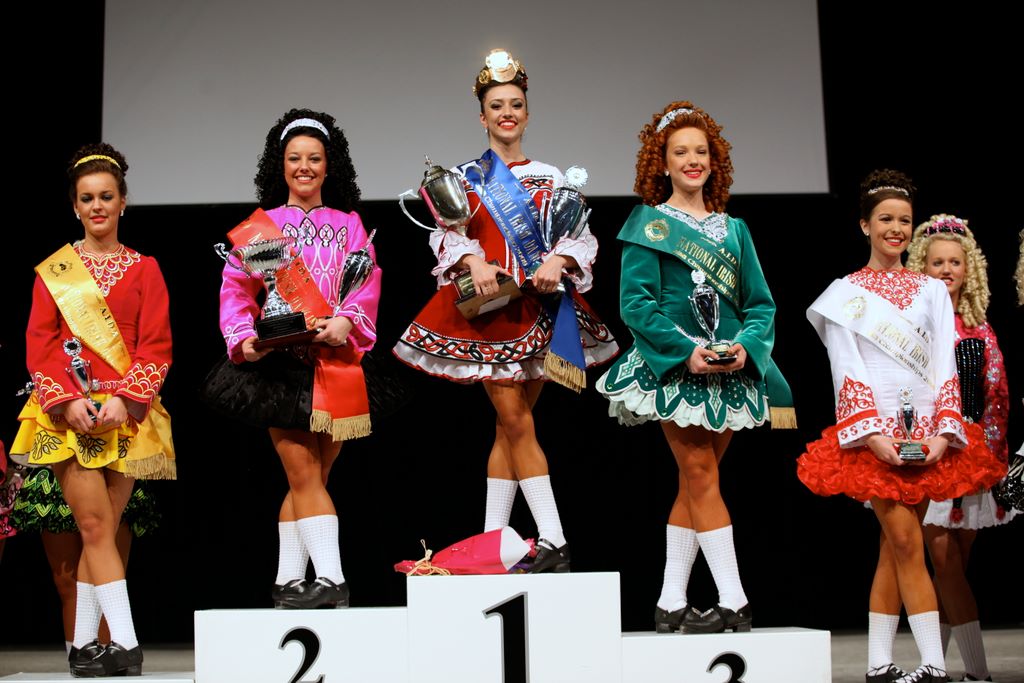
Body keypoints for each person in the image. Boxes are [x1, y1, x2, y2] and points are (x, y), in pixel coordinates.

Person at [393, 49, 618, 572]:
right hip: (491, 312)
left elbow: (578, 235)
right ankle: (553, 538)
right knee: (515, 421)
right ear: (482, 117)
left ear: (527, 113)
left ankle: (495, 542)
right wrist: (473, 259)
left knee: (508, 427)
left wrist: (559, 260)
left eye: (515, 104)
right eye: (497, 106)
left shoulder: (550, 175)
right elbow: (446, 237)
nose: (507, 113)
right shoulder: (464, 177)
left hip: (541, 310)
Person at [797, 171, 1005, 683]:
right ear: (864, 225)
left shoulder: (932, 290)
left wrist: (943, 433)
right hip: (876, 438)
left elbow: (944, 364)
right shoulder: (844, 293)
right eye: (886, 219)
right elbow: (846, 367)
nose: (896, 229)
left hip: (926, 438)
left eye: (905, 221)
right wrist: (871, 435)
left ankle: (878, 664)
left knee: (893, 552)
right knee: (909, 545)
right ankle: (934, 663)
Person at [597, 101, 795, 634]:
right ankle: (735, 600)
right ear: (661, 162)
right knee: (702, 475)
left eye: (701, 151)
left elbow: (761, 305)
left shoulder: (736, 230)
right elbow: (636, 305)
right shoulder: (649, 224)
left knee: (695, 484)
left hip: (728, 371)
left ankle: (669, 603)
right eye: (680, 152)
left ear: (714, 160)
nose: (692, 161)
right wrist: (686, 351)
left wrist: (744, 348)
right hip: (676, 369)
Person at [8, 143, 176, 677]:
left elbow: (156, 346)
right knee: (95, 524)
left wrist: (126, 399)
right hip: (68, 417)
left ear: (123, 202)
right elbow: (40, 344)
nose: (97, 206)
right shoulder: (55, 271)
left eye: (106, 196)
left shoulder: (146, 269)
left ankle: (84, 647)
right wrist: (66, 400)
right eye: (87, 198)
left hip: (125, 416)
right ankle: (125, 642)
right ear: (74, 206)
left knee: (99, 530)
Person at [204, 109, 381, 609]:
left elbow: (366, 281)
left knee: (312, 479)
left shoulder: (348, 224)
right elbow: (237, 290)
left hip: (336, 362)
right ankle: (332, 580)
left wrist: (346, 321)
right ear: (279, 165)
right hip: (279, 367)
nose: (304, 167)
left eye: (314, 158)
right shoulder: (263, 229)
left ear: (329, 165)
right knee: (304, 474)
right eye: (294, 158)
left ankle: (286, 582)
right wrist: (243, 337)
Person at [906, 215, 1015, 682]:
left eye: (955, 262)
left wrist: (989, 461)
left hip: (972, 462)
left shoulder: (980, 329)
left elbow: (997, 398)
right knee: (944, 563)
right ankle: (977, 672)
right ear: (922, 267)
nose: (946, 269)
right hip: (928, 456)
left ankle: (936, 667)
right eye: (937, 262)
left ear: (968, 269)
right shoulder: (911, 326)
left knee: (957, 567)